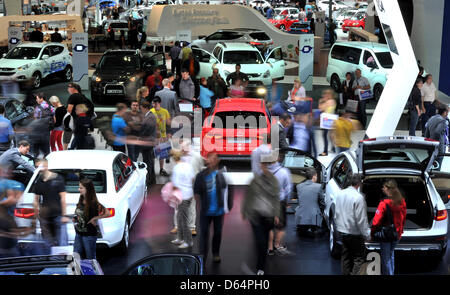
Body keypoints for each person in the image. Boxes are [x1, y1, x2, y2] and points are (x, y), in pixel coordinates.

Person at [241, 149, 280, 275]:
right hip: (256, 216)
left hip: (268, 216)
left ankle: (261, 265)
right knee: (261, 241)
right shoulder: (255, 180)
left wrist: (276, 214)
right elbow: (248, 196)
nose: (262, 167)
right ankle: (261, 267)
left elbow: (276, 197)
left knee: (262, 241)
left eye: (264, 165)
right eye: (261, 165)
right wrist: (244, 211)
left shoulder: (273, 180)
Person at [194, 152, 231, 263]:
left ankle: (215, 253)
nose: (210, 162)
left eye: (213, 159)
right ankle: (203, 256)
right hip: (205, 211)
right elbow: (196, 192)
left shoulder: (221, 175)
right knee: (204, 234)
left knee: (217, 233)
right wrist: (200, 205)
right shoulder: (200, 176)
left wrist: (227, 206)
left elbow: (228, 191)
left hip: (219, 212)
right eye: (209, 160)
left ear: (217, 161)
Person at [335, 174, 370, 275]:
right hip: (355, 234)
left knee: (345, 257)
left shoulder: (340, 194)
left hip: (342, 232)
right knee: (358, 259)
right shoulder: (358, 197)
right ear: (359, 183)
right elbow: (361, 220)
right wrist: (367, 235)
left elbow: (337, 213)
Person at [371, 179, 407, 275]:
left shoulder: (383, 203)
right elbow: (403, 218)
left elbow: (376, 221)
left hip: (386, 235)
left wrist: (372, 232)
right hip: (396, 234)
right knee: (391, 255)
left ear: (388, 189)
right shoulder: (402, 202)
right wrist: (400, 232)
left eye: (384, 187)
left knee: (385, 259)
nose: (382, 189)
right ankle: (391, 273)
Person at [32, 159, 69, 250]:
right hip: (44, 217)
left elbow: (63, 198)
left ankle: (62, 262)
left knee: (62, 244)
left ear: (46, 166)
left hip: (58, 215)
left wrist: (64, 215)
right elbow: (36, 199)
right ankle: (50, 262)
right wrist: (36, 214)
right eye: (36, 167)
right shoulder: (39, 181)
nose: (38, 169)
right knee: (47, 244)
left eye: (39, 166)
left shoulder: (58, 178)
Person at [73, 178, 111, 260]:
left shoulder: (93, 203)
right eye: (79, 187)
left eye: (81, 188)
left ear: (88, 189)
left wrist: (95, 218)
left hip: (89, 235)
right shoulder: (81, 198)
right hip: (79, 233)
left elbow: (108, 213)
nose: (78, 189)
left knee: (90, 258)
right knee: (76, 255)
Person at [267, 151, 292, 256]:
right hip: (280, 202)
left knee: (270, 226)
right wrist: (287, 201)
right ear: (278, 159)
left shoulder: (265, 171)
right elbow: (288, 188)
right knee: (281, 226)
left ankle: (270, 248)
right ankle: (277, 245)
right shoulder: (284, 171)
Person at [170, 149, 195, 249]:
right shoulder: (188, 165)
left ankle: (188, 241)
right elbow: (193, 178)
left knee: (183, 219)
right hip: (189, 195)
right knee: (180, 217)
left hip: (182, 197)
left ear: (174, 158)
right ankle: (180, 238)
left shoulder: (176, 168)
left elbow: (175, 185)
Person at [295, 168, 325, 236]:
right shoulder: (318, 186)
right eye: (316, 176)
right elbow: (322, 202)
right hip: (314, 218)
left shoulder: (298, 186)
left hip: (300, 218)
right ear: (314, 176)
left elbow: (300, 201)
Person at [138, 101, 158, 185]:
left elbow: (147, 130)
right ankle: (151, 178)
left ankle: (149, 179)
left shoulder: (150, 117)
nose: (140, 109)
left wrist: (139, 137)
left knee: (148, 161)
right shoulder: (148, 116)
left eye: (141, 108)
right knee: (149, 160)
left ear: (145, 108)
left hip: (148, 143)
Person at [151, 96, 171, 177]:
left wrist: (169, 133)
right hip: (153, 137)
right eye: (153, 104)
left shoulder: (165, 111)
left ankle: (161, 169)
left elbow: (168, 123)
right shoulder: (151, 111)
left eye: (155, 104)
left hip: (163, 136)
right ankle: (151, 170)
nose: (154, 105)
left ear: (159, 103)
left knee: (162, 154)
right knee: (152, 154)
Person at [32, 92, 53, 158]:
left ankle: (35, 160)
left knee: (36, 146)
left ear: (41, 98)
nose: (36, 100)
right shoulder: (50, 107)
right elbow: (54, 119)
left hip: (38, 130)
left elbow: (35, 119)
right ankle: (47, 160)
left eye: (37, 98)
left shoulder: (37, 108)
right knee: (46, 146)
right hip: (47, 130)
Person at [65, 83, 85, 150]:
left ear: (74, 88)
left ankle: (71, 148)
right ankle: (75, 147)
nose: (68, 89)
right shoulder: (82, 96)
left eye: (69, 87)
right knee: (79, 134)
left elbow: (69, 110)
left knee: (75, 135)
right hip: (82, 118)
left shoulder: (73, 97)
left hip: (75, 119)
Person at [318, 89, 337, 156]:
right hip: (331, 120)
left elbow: (321, 108)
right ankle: (333, 148)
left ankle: (325, 151)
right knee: (331, 135)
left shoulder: (329, 101)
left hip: (327, 120)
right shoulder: (333, 101)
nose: (325, 95)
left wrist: (321, 102)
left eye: (327, 94)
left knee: (325, 135)